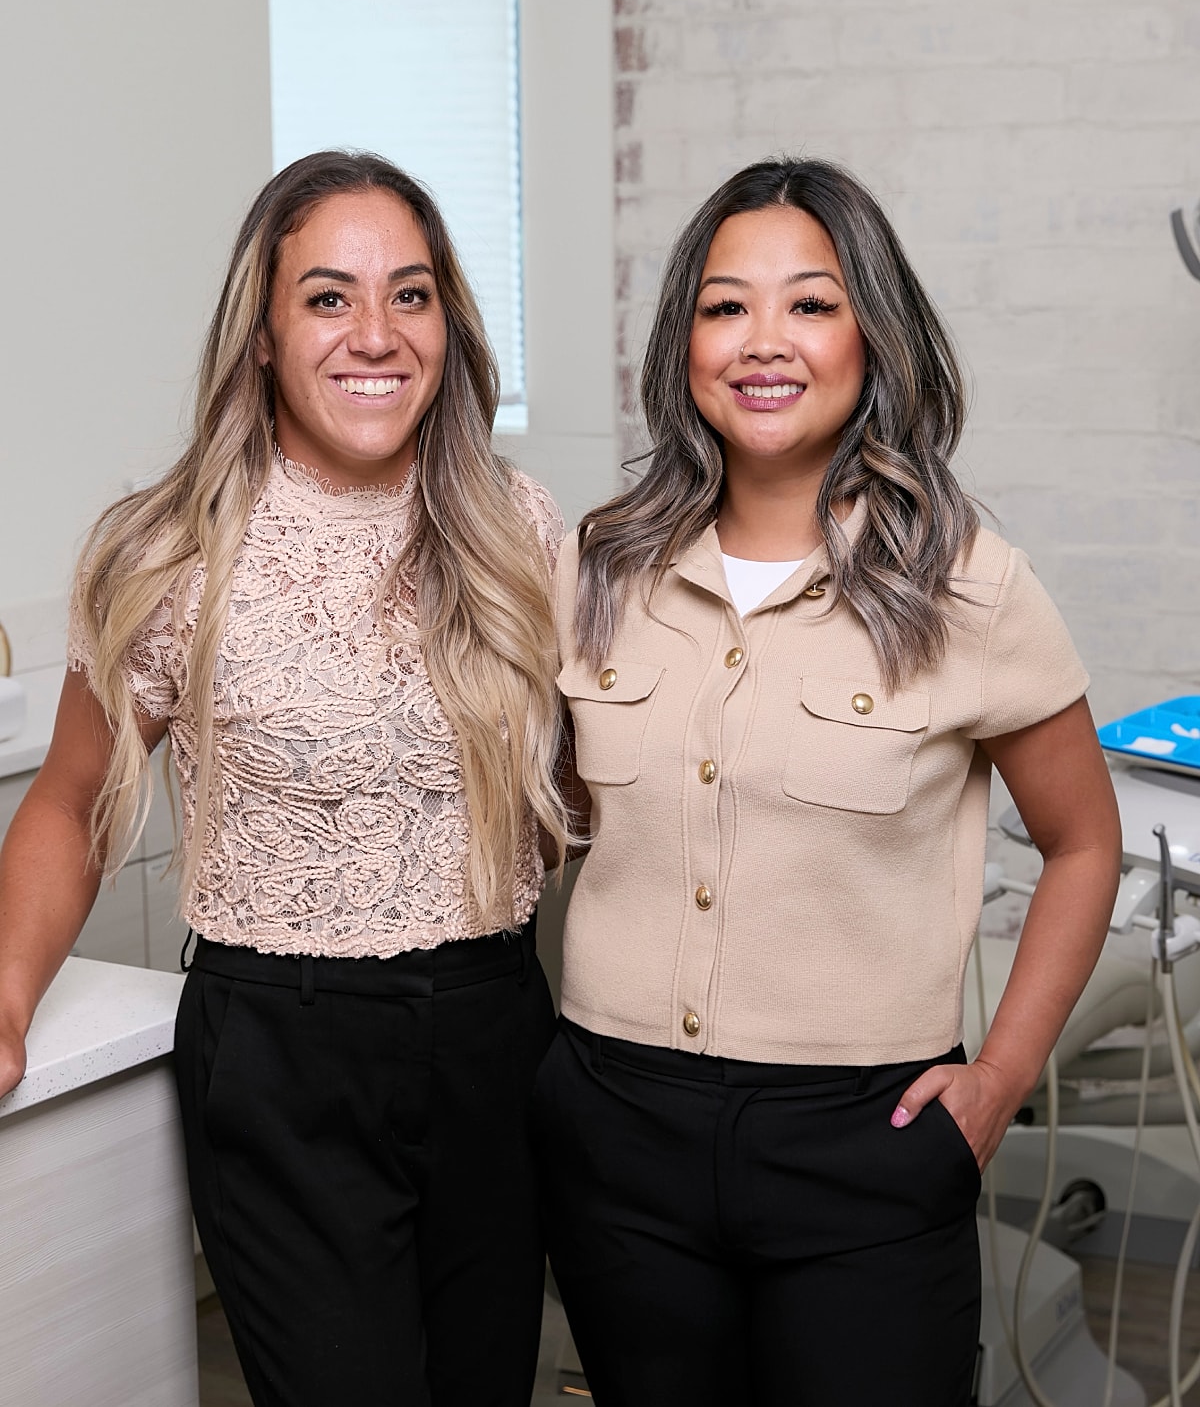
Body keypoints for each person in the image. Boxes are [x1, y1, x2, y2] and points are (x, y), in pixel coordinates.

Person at [535, 157, 1122, 1407]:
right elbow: (567, 819)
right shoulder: (596, 565)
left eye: (811, 302)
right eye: (724, 304)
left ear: (874, 335)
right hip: (614, 1127)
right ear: (683, 342)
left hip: (866, 1146)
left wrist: (1001, 1081)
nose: (764, 341)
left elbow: (1083, 842)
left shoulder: (967, 582)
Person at [0, 150, 568, 1407]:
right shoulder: (167, 548)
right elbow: (69, 804)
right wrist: (4, 992)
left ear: (449, 324)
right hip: (278, 1057)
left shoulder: (519, 528)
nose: (376, 333)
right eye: (328, 296)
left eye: (410, 295)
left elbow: (582, 800)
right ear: (260, 333)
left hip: (496, 1037)